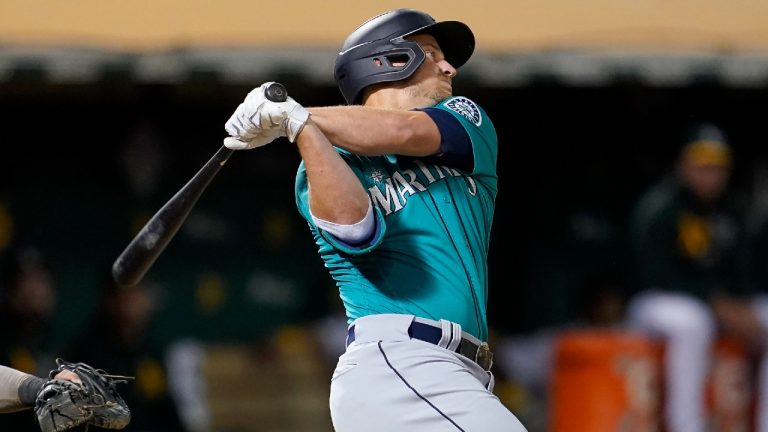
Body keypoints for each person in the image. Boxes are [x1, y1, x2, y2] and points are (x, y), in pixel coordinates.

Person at [221, 8, 527, 432]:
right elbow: (355, 228)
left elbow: (403, 133)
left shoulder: (465, 118)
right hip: (399, 363)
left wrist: (294, 116)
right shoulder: (319, 167)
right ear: (389, 60)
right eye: (433, 53)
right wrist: (301, 128)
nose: (449, 67)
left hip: (457, 372)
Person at [625, 123, 751, 432]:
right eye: (702, 164)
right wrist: (714, 300)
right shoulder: (661, 207)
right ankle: (686, 426)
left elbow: (744, 271)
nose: (710, 173)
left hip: (710, 302)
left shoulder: (732, 209)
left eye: (717, 166)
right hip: (653, 302)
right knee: (693, 322)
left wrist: (737, 304)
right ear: (683, 164)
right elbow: (653, 275)